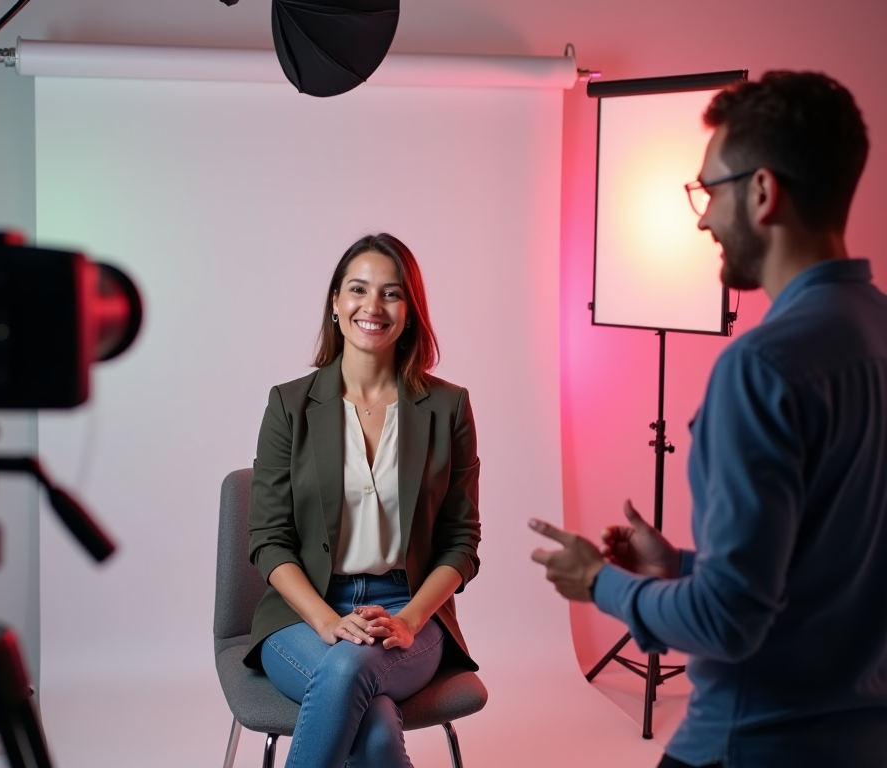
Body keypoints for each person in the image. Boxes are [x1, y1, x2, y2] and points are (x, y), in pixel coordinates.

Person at [530, 71, 887, 768]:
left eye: (708, 191)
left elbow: (730, 620)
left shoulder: (761, 367)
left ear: (761, 192)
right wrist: (682, 567)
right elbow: (830, 571)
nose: (701, 218)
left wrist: (600, 583)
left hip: (750, 745)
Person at [245, 233, 481, 768]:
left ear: (411, 311)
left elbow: (461, 542)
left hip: (408, 609)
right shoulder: (290, 405)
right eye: (358, 289)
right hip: (301, 616)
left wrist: (413, 619)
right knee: (368, 714)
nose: (372, 307)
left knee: (353, 675)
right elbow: (268, 538)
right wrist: (328, 622)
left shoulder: (448, 408)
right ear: (335, 301)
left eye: (392, 294)